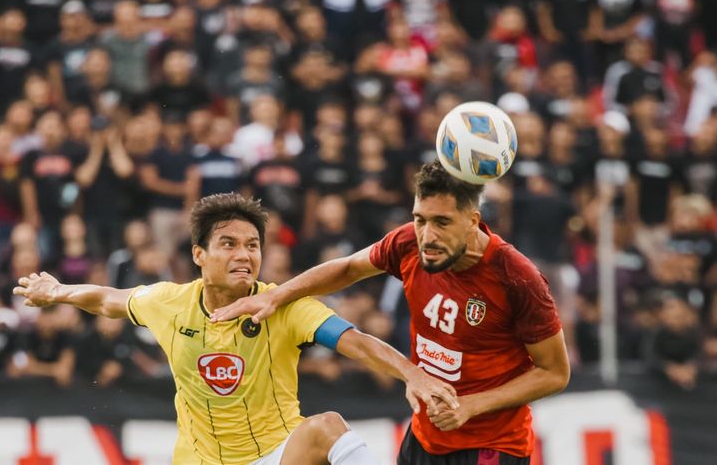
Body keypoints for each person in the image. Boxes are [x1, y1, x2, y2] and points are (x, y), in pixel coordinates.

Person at [14, 192, 457, 465]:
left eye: (252, 245)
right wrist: (59, 291)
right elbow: (108, 299)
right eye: (228, 244)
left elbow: (354, 341)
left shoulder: (282, 305)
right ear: (198, 255)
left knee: (328, 427)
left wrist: (413, 374)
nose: (244, 254)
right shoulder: (168, 303)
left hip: (279, 456)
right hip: (199, 460)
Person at [213, 161, 570, 464]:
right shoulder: (409, 243)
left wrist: (469, 406)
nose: (427, 235)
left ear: (472, 221)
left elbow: (554, 373)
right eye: (420, 219)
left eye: (442, 222)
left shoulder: (516, 277)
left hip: (491, 446)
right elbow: (349, 268)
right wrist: (278, 296)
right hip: (423, 437)